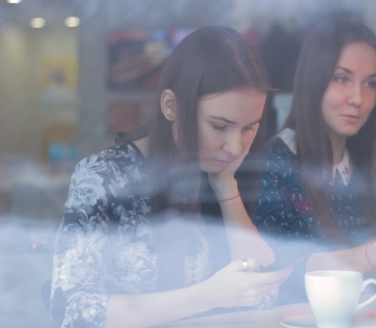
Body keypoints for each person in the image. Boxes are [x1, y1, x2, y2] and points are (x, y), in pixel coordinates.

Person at [50, 26, 291, 328]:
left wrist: (226, 186)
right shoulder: (105, 176)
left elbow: (262, 295)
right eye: (219, 126)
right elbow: (72, 311)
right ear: (171, 106)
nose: (234, 146)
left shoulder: (225, 170)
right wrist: (207, 296)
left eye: (249, 128)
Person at [252, 19, 376, 302]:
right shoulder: (274, 164)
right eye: (341, 78)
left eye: (370, 83)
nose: (357, 98)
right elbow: (283, 271)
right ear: (313, 81)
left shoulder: (362, 165)